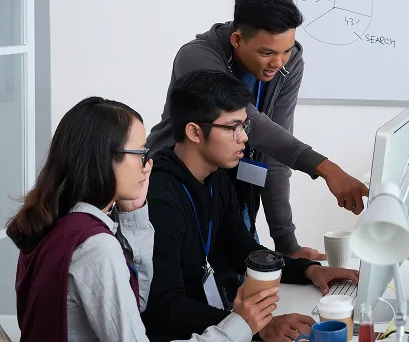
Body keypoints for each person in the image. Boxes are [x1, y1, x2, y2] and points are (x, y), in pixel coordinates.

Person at [5, 97, 278, 342]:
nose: (148, 165)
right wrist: (237, 326)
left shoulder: (58, 220)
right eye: (140, 153)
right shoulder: (96, 246)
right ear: (105, 160)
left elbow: (137, 303)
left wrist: (134, 213)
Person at [142, 71, 359, 342]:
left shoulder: (216, 176)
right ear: (195, 132)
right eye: (233, 127)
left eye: (244, 126)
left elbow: (243, 251)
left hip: (216, 325)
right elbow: (165, 306)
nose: (243, 138)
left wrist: (309, 270)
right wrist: (253, 327)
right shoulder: (158, 195)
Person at [146, 0, 369, 260]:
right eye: (267, 53)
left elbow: (274, 154)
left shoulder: (290, 60)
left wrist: (286, 243)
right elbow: (256, 125)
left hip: (231, 189)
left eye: (285, 51)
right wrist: (325, 168)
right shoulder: (197, 56)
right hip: (177, 184)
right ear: (238, 40)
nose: (278, 62)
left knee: (244, 276)